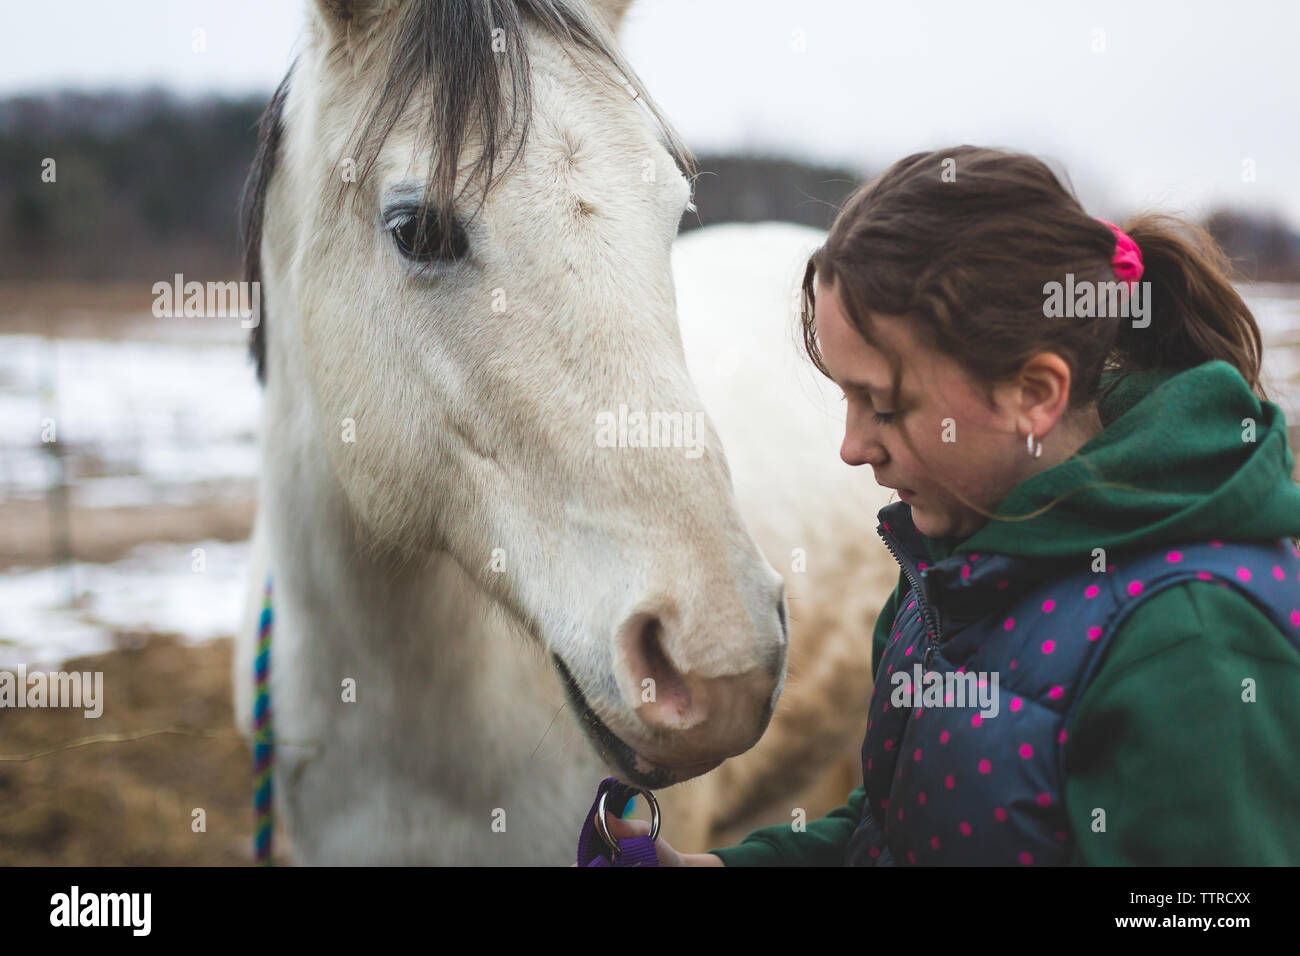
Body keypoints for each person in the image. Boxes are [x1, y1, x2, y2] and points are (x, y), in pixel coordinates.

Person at [594, 145, 1300, 865]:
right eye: (846, 399)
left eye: (886, 406)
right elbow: (895, 834)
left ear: (1034, 393)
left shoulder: (1193, 641)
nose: (851, 446)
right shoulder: (955, 562)